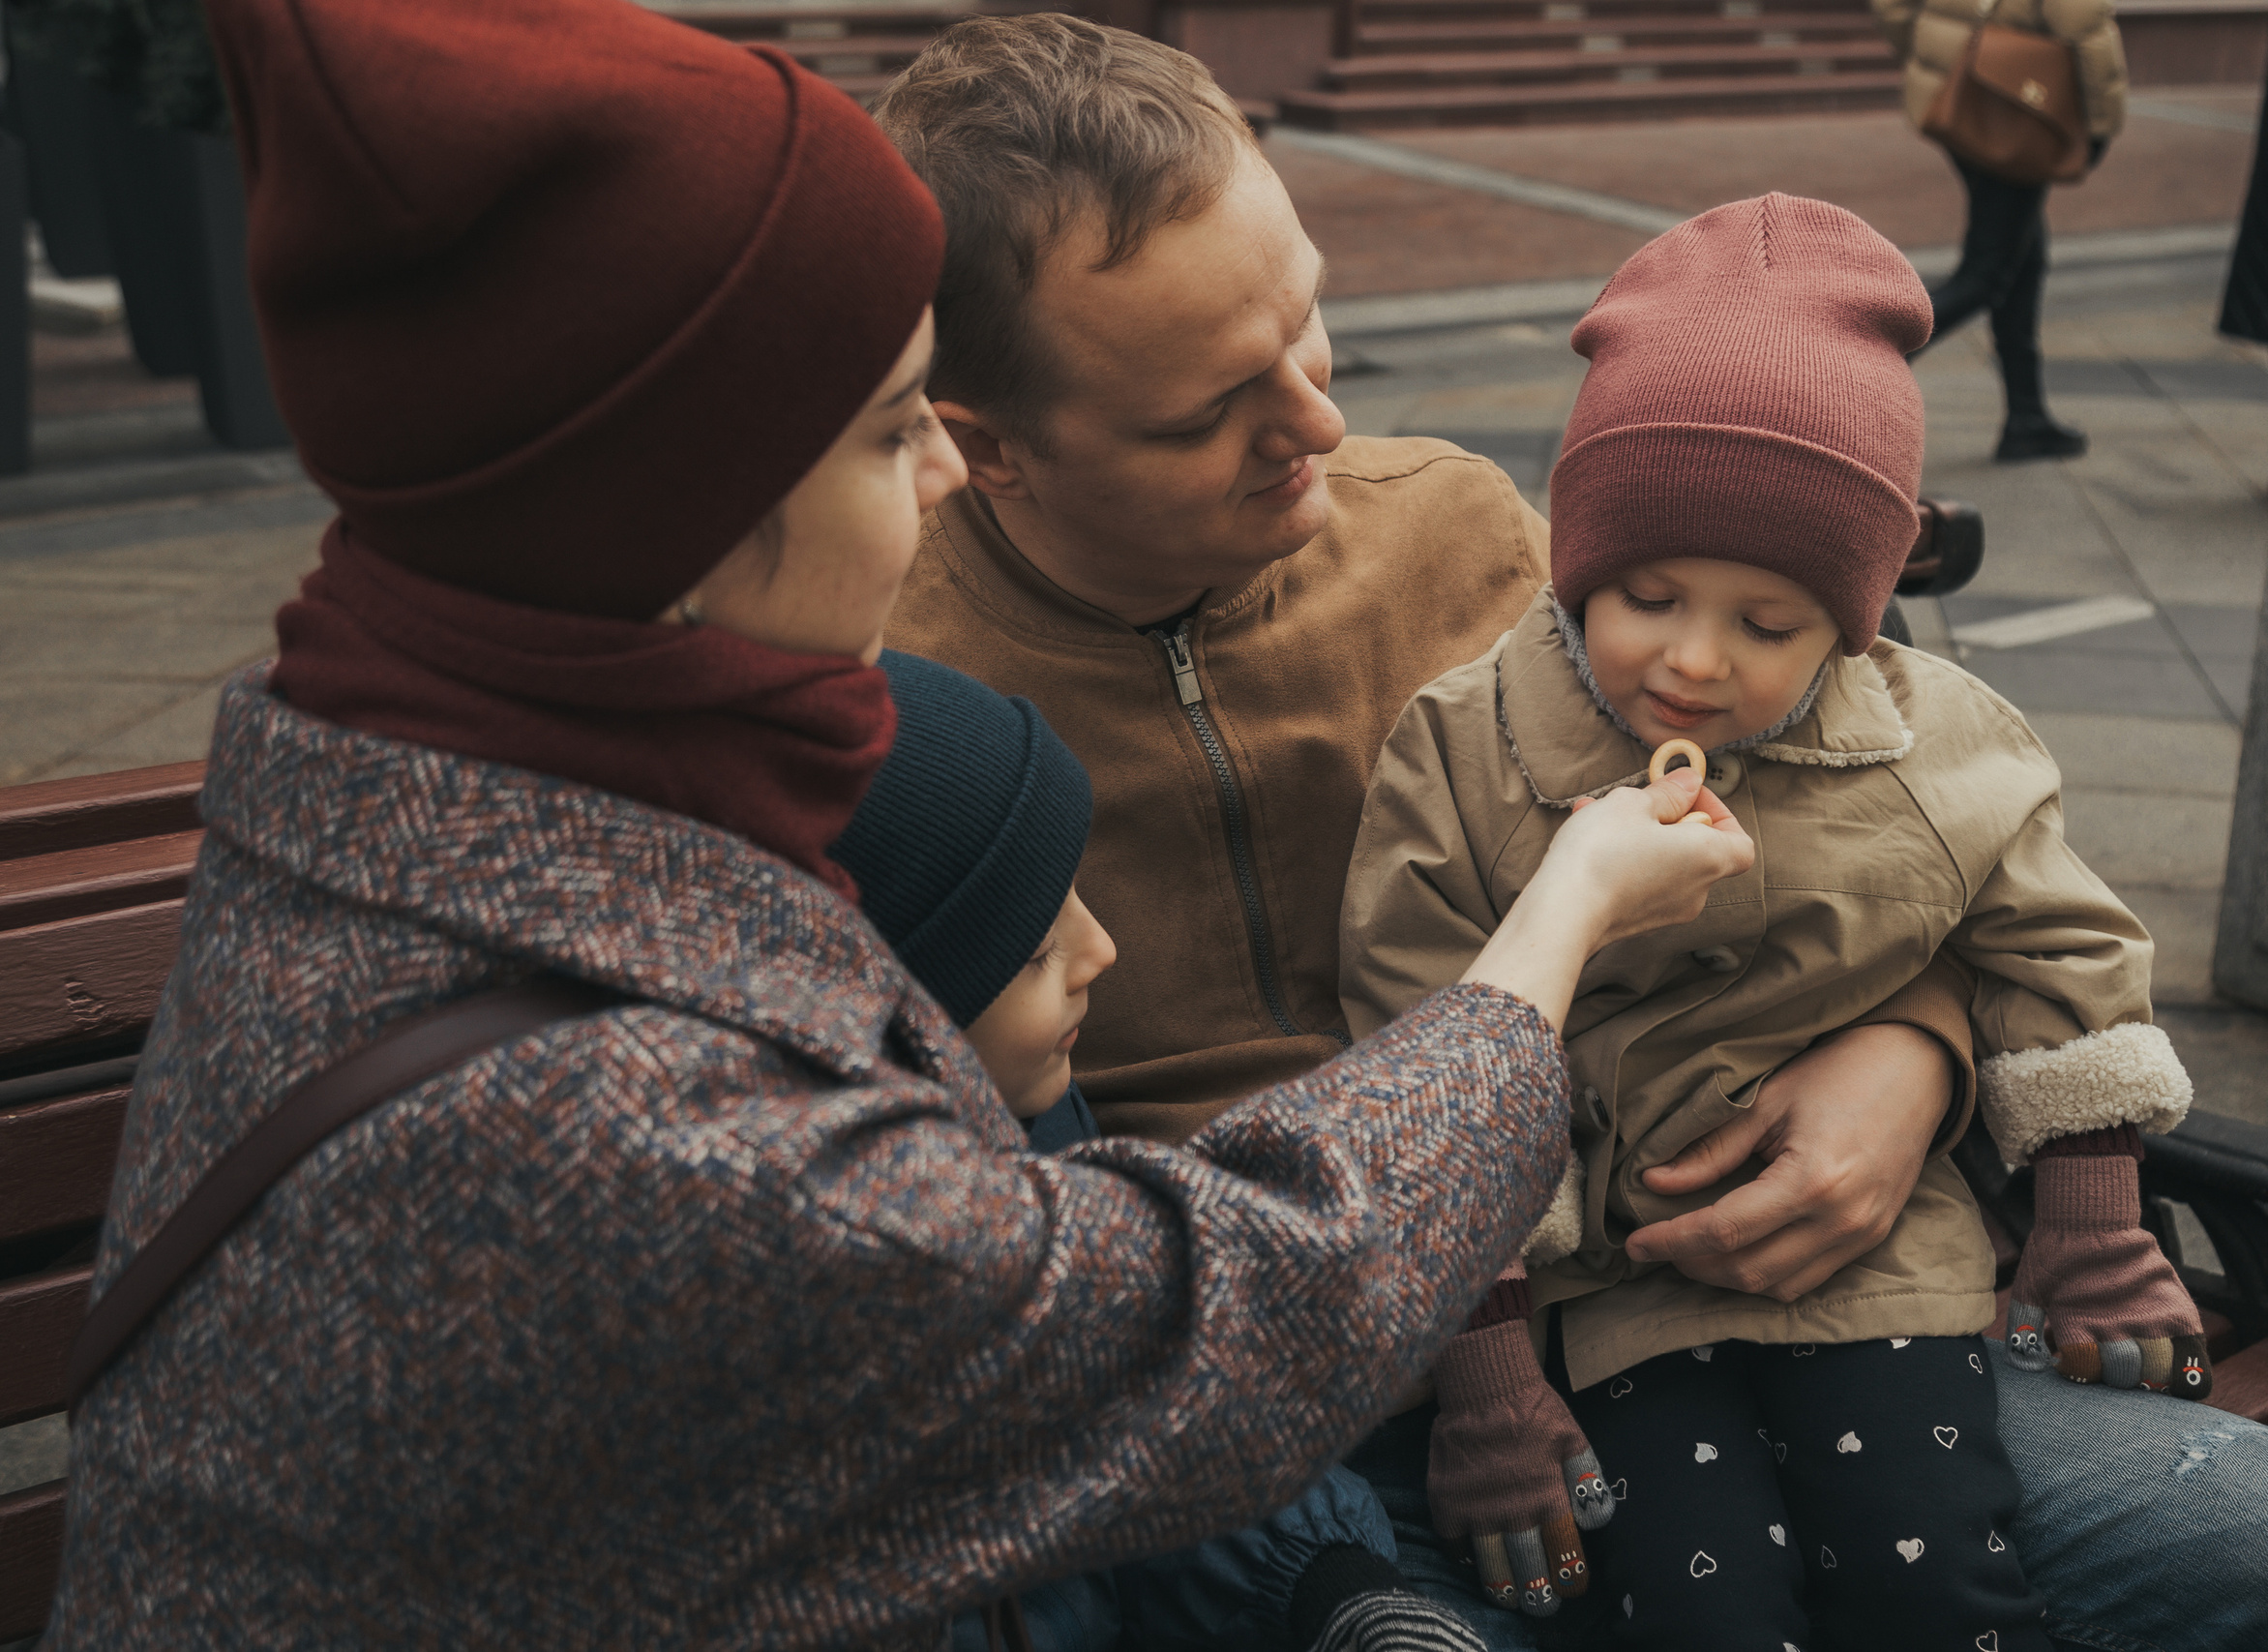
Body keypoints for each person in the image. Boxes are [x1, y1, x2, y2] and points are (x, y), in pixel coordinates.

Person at [41, 3, 1755, 1647]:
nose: (933, 478)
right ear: (675, 525)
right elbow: (1208, 1327)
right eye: (885, 432)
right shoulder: (626, 1134)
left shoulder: (397, 808)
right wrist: (1556, 925)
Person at [874, 15, 2268, 1649]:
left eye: (1306, 323)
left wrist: (1918, 1047)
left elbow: (1856, 821)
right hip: (1264, 1429)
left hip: (1698, 1290)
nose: (1315, 422)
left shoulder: (1465, 532)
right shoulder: (888, 694)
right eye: (1204, 412)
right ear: (985, 446)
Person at [1341, 195, 2214, 1651]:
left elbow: (2063, 953)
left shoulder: (1940, 746)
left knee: (1928, 1576)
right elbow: (1425, 1052)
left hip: (1880, 1271)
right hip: (1611, 1299)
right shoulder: (1464, 753)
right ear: (1579, 559)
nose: (1691, 660)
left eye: (1768, 624)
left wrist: (2092, 1222)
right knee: (1707, 1609)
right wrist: (1486, 1378)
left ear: (1853, 619)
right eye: (1647, 595)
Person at [832, 648, 1491, 1652]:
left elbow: (1140, 1412)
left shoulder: (1029, 1117)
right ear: (901, 1019)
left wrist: (1332, 1585)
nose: (1101, 950)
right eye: (1033, 951)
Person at [1873, 0, 2128, 462]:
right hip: (2018, 104)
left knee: (2023, 255)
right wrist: (2101, 124)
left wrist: (1938, 55)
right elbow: (2083, 25)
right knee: (1987, 273)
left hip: (1957, 92)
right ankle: (1864, 364)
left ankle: (2026, 417)